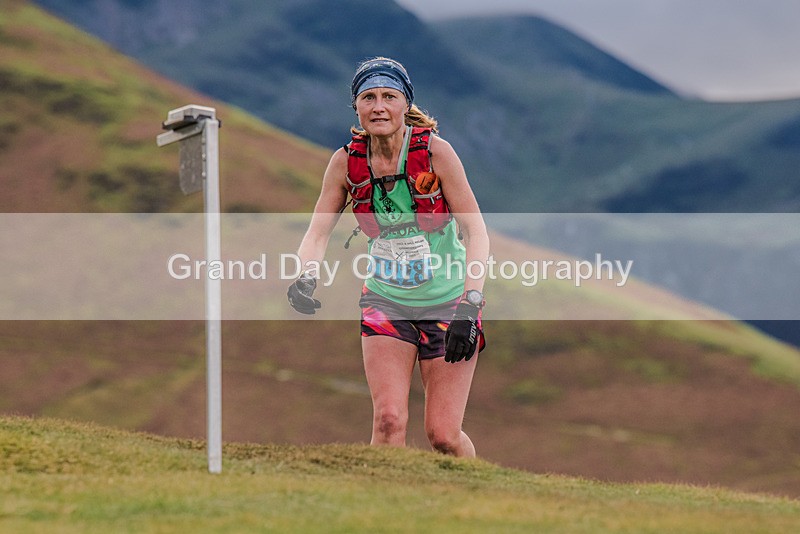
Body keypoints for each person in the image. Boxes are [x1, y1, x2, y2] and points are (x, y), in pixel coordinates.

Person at [287, 57, 489, 457]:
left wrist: (471, 303)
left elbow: (476, 231)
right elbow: (318, 231)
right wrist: (305, 276)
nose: (379, 106)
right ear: (356, 107)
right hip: (386, 302)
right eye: (369, 98)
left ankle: (475, 503)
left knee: (444, 436)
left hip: (449, 303)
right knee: (389, 421)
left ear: (404, 103)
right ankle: (377, 512)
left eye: (389, 96)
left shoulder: (436, 154)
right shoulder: (346, 162)